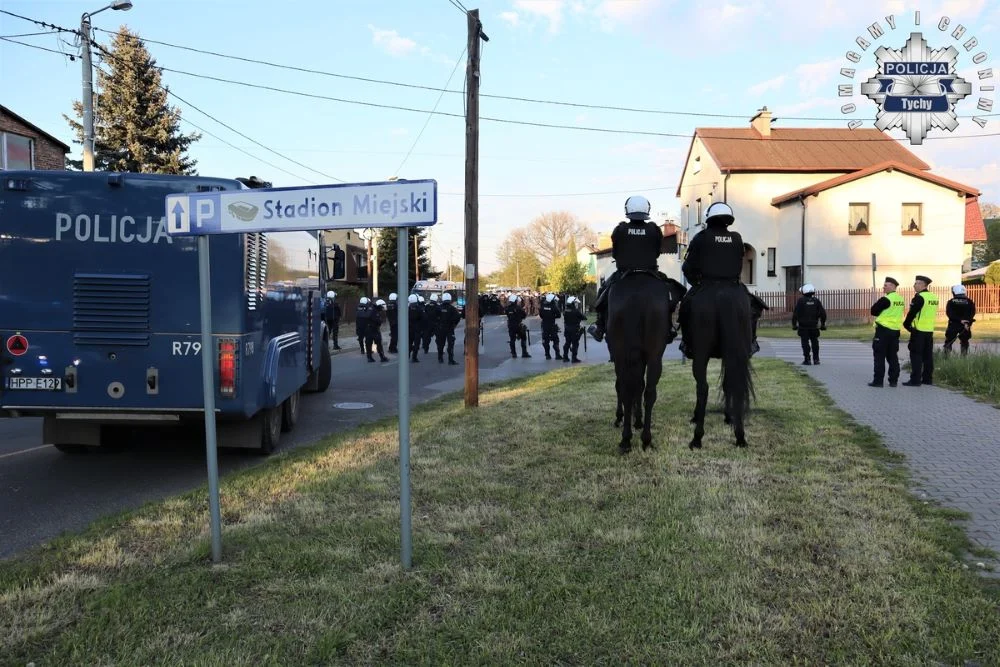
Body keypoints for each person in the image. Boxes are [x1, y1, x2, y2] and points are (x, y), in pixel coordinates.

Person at [588, 195, 671, 343]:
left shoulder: (620, 229)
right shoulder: (654, 229)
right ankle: (669, 326)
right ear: (647, 210)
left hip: (623, 274)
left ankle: (600, 326)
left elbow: (616, 252)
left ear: (627, 210)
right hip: (650, 273)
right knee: (668, 293)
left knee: (603, 293)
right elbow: (658, 251)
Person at [677, 202, 746, 359]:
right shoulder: (736, 238)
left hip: (706, 286)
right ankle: (750, 340)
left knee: (685, 308)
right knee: (753, 308)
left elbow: (687, 268)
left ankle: (689, 343)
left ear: (708, 219)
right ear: (729, 220)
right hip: (733, 286)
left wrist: (696, 284)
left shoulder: (701, 237)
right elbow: (740, 263)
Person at [902, 274, 939, 386]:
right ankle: (927, 379)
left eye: (916, 283)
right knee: (928, 356)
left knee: (916, 355)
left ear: (923, 285)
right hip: (929, 330)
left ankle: (915, 380)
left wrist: (906, 325)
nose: (914, 285)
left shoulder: (919, 297)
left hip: (918, 331)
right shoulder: (933, 297)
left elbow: (912, 313)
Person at [868, 276, 905, 387]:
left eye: (886, 285)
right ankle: (893, 381)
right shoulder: (900, 299)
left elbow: (873, 311)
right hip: (895, 331)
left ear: (893, 286)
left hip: (883, 331)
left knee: (879, 356)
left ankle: (878, 381)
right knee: (892, 356)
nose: (883, 287)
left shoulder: (886, 299)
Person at [791, 283, 827, 365]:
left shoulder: (801, 301)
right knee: (815, 342)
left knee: (805, 343)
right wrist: (823, 324)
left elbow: (795, 314)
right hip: (814, 327)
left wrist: (794, 325)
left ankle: (807, 359)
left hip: (803, 327)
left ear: (804, 292)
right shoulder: (816, 301)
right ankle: (816, 359)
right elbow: (823, 313)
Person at [943, 284, 976, 357]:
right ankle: (963, 358)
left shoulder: (951, 302)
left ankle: (946, 358)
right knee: (964, 342)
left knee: (949, 342)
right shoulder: (970, 302)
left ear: (954, 292)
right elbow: (972, 313)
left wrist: (959, 320)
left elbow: (949, 314)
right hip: (966, 325)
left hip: (953, 324)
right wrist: (967, 321)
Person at [436, 292, 463, 364]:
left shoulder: (438, 308)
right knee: (450, 344)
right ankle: (450, 360)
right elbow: (458, 318)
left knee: (440, 344)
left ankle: (440, 358)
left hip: (440, 328)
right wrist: (454, 325)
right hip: (450, 329)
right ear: (450, 299)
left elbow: (433, 318)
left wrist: (437, 325)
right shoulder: (452, 309)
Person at [562, 295, 587, 363]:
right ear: (572, 303)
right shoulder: (576, 311)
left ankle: (565, 357)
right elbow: (584, 318)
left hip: (567, 328)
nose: (576, 304)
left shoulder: (565, 311)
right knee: (575, 344)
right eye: (575, 303)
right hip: (574, 329)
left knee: (567, 343)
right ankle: (574, 358)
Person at [539, 292, 563, 360]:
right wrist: (553, 316)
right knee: (556, 340)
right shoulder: (553, 306)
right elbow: (559, 315)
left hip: (544, 325)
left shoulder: (542, 306)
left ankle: (547, 355)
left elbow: (541, 315)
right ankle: (557, 355)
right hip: (552, 325)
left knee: (545, 340)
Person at [407, 294, 423, 362]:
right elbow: (423, 319)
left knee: (409, 343)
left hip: (408, 329)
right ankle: (414, 357)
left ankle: (407, 355)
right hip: (417, 329)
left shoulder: (406, 309)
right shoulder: (419, 309)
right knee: (416, 343)